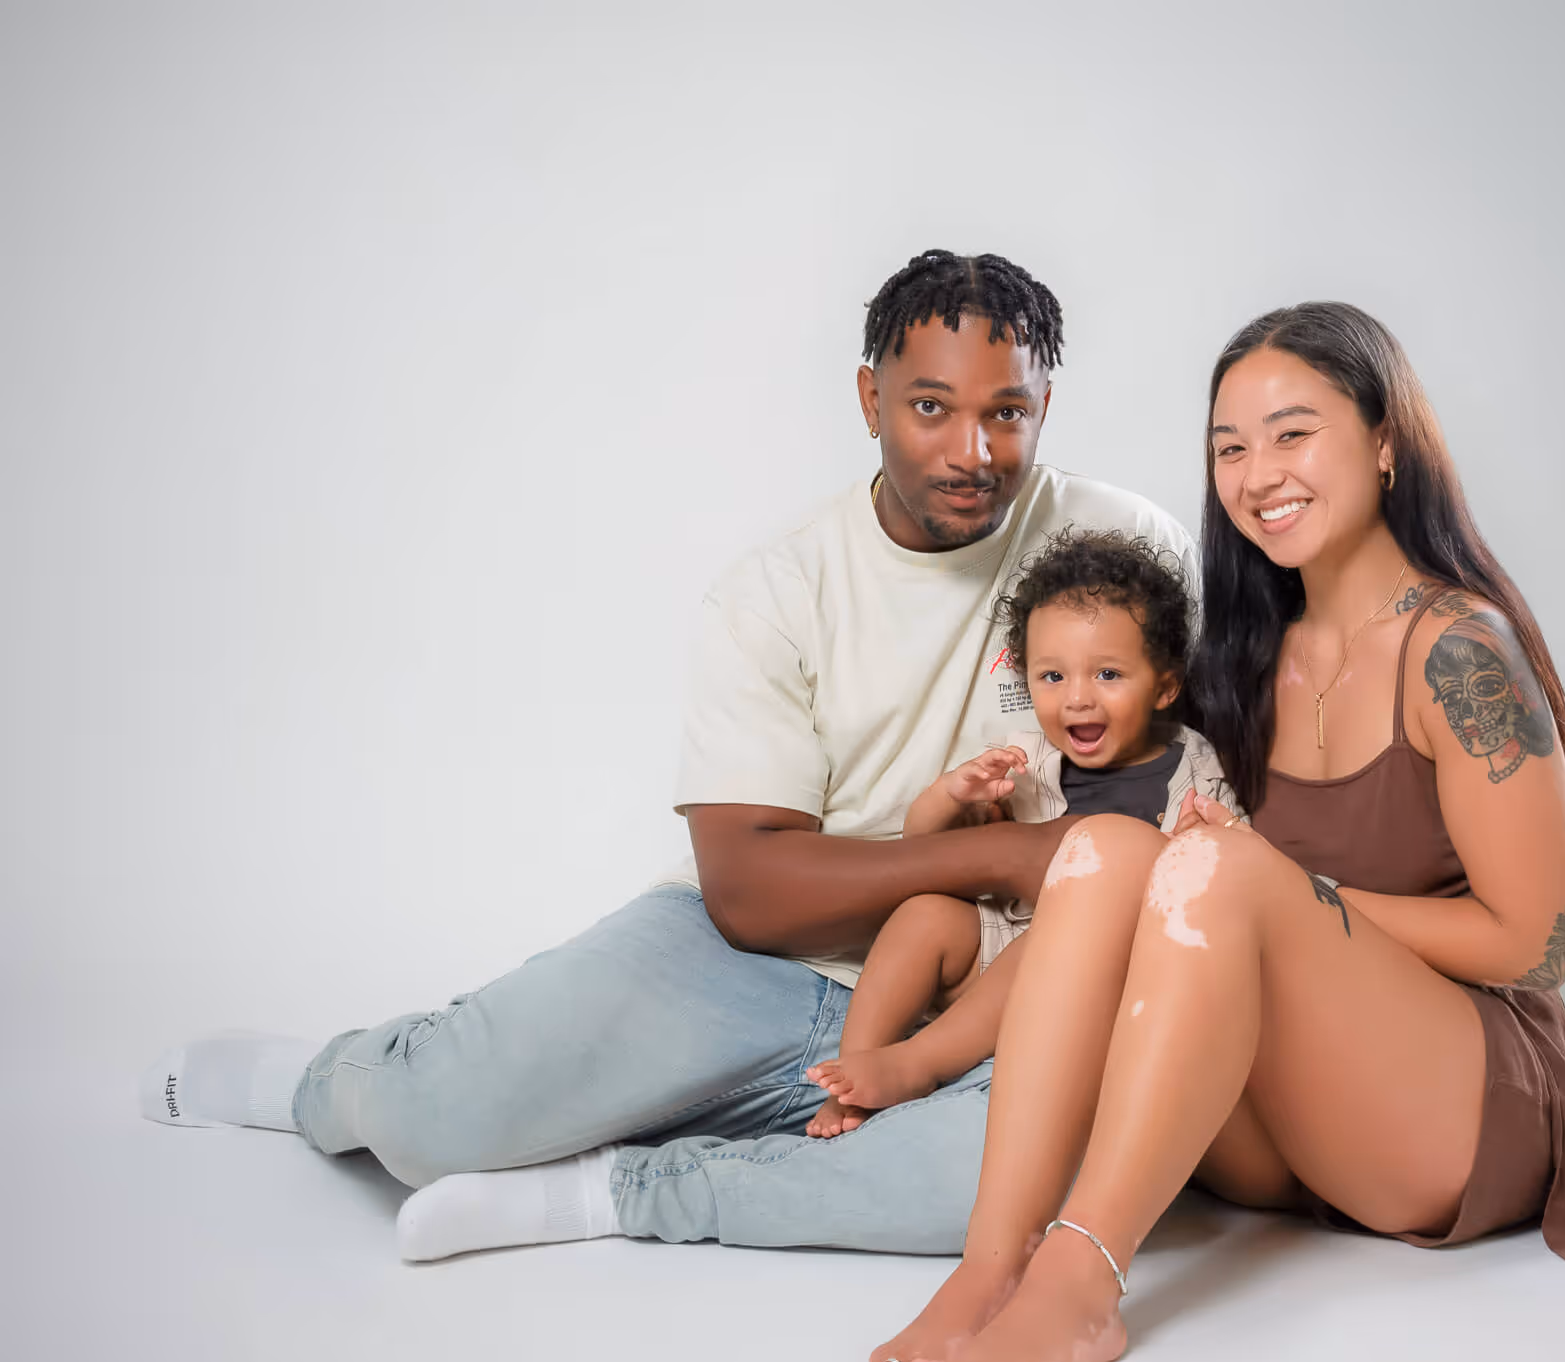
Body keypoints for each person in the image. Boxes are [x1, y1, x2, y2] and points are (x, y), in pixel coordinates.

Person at [137, 249, 1197, 1264]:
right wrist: (1012, 855)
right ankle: (318, 1082)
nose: (972, 450)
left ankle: (621, 1189)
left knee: (1015, 1185)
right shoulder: (776, 589)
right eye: (930, 407)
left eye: (1005, 412)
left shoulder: (1125, 543)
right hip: (754, 966)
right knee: (430, 1117)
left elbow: (1204, 763)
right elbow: (747, 891)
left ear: (1043, 407)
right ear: (869, 399)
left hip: (998, 986)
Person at [865, 302, 1565, 1362]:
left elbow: (1538, 944)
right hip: (1288, 1127)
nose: (1257, 474)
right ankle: (993, 1262)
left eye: (1293, 434)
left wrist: (1290, 895)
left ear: (1385, 441)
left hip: (1461, 1111)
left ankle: (1080, 1284)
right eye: (1229, 447)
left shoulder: (1458, 649)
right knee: (1104, 848)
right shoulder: (1242, 657)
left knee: (1219, 869)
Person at [805, 529, 1242, 1138]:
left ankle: (919, 1063)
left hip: (1091, 975)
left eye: (1108, 674)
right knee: (923, 913)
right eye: (1052, 676)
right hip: (996, 949)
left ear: (1165, 687)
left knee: (1048, 941)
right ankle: (856, 1070)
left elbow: (1233, 874)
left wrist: (1204, 842)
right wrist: (952, 796)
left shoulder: (1196, 768)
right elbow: (924, 853)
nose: (1077, 699)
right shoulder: (1026, 759)